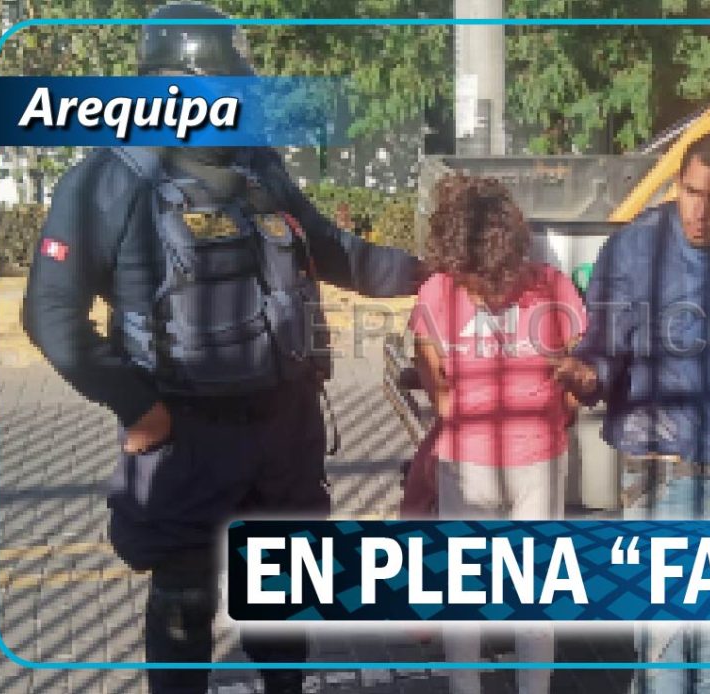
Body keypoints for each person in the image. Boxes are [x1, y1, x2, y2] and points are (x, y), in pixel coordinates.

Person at [21, 4, 424, 693]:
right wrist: (138, 407)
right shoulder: (107, 180)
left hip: (284, 428)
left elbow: (334, 251)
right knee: (184, 606)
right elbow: (50, 313)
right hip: (187, 434)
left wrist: (432, 272)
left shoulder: (257, 166)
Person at [553, 130, 710, 694]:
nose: (699, 212)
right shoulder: (633, 247)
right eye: (691, 192)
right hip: (656, 463)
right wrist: (588, 374)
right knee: (665, 640)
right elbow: (605, 343)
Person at [408, 174, 586, 694]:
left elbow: (579, 363)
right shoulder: (441, 290)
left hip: (532, 460)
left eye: (493, 280)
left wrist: (561, 410)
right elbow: (430, 366)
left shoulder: (550, 286)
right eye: (473, 281)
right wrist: (452, 410)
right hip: (472, 462)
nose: (486, 293)